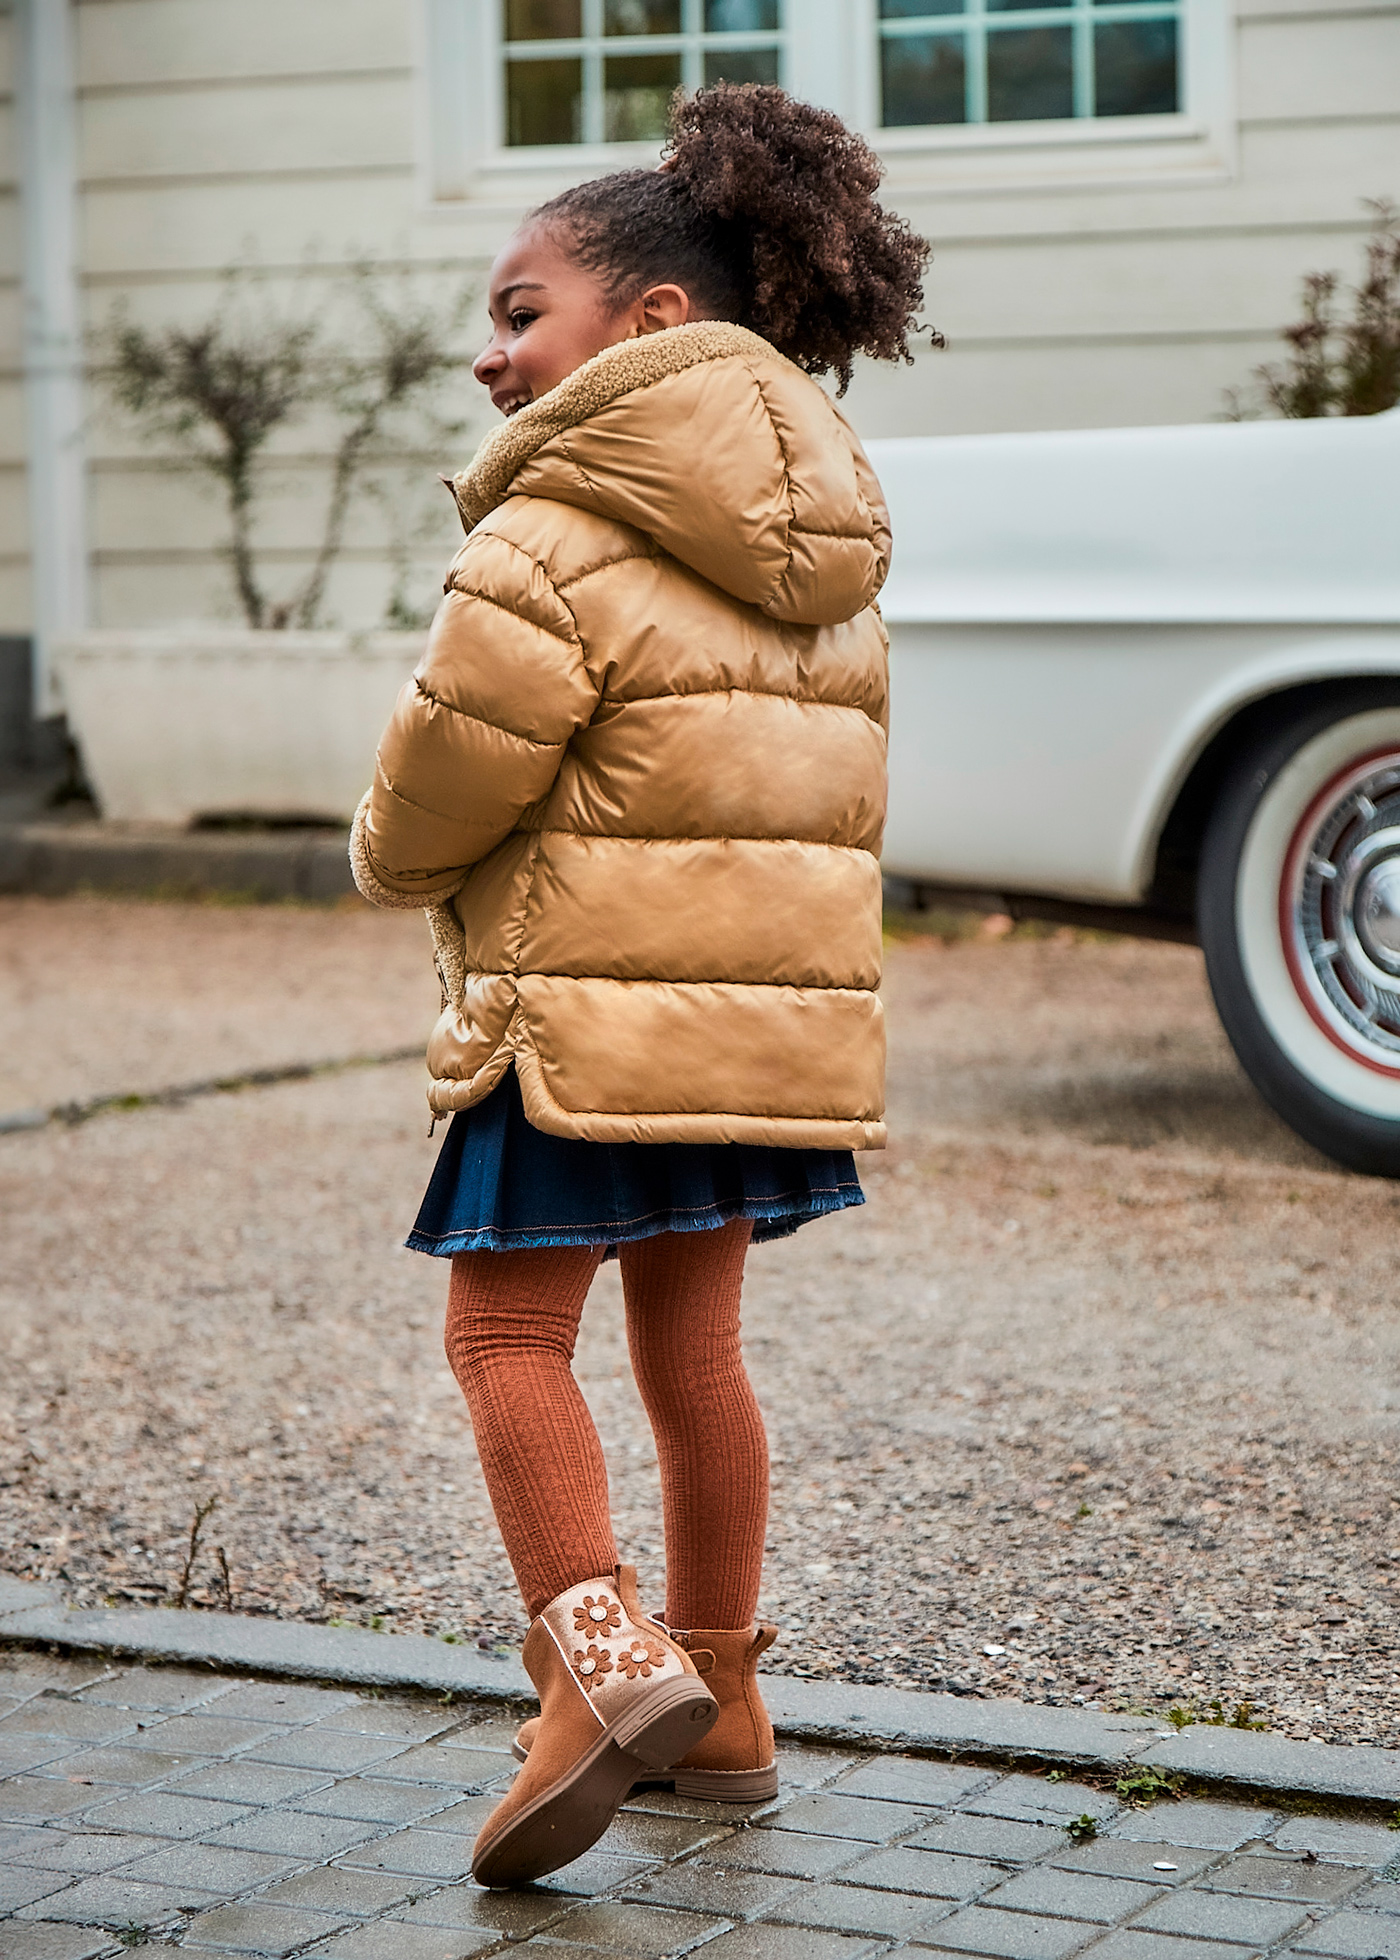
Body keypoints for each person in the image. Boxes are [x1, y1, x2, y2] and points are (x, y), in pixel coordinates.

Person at [350, 81, 929, 1890]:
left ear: (656, 322)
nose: (489, 357)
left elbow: (449, 779)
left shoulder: (553, 530)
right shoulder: (836, 558)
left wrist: (393, 860)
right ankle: (731, 1707)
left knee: (504, 1337)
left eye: (520, 311)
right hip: (761, 1037)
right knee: (697, 1357)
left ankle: (598, 1668)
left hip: (582, 1025)